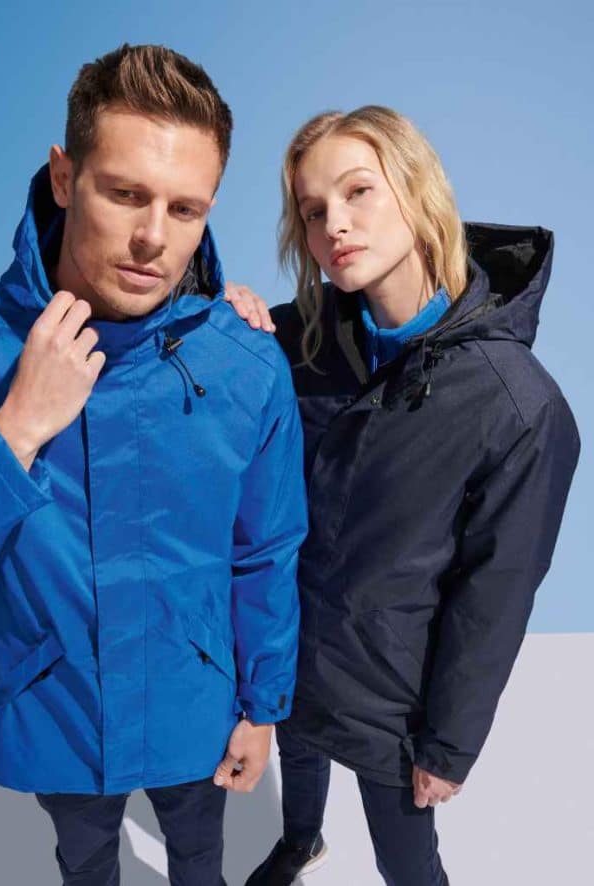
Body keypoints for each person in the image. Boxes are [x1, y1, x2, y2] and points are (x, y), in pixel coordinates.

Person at [0, 44, 308, 886]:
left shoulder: (244, 363)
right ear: (64, 177)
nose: (152, 238)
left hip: (195, 706)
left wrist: (263, 705)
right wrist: (15, 429)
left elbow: (265, 551)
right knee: (86, 864)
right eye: (125, 193)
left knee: (200, 860)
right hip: (52, 713)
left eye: (184, 208)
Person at [224, 105, 580, 885]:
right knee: (298, 752)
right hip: (292, 645)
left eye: (357, 192)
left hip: (390, 693)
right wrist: (223, 314)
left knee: (407, 865)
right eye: (312, 210)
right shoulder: (299, 341)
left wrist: (448, 745)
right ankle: (299, 843)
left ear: (418, 193)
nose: (333, 225)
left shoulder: (518, 407)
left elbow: (495, 594)